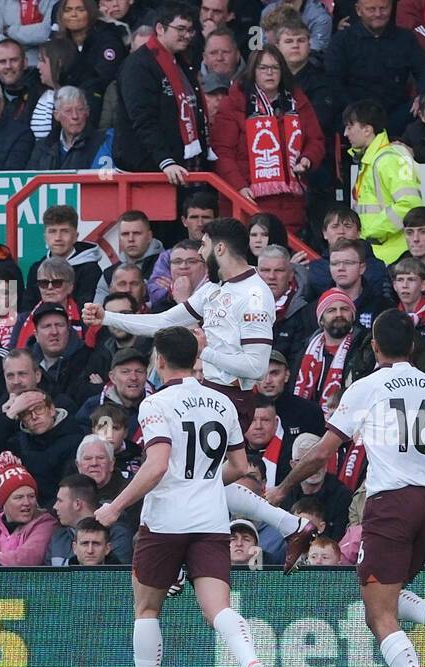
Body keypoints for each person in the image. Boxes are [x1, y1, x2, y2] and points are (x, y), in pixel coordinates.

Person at [272, 312, 425, 667]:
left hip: (390, 503)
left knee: (377, 613)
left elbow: (320, 452)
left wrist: (283, 489)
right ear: (412, 346)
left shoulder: (367, 387)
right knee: (380, 591)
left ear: (374, 347)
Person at [84, 217, 318, 570]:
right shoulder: (215, 288)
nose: (201, 254)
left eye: (204, 246)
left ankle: (173, 562)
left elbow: (256, 367)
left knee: (176, 476)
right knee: (196, 482)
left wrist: (202, 351)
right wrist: (109, 319)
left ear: (220, 248)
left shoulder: (255, 295)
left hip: (232, 399)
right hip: (209, 392)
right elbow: (165, 322)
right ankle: (291, 525)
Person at [209, 45, 324, 234]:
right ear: (253, 71)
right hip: (248, 199)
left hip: (290, 203)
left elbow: (316, 140)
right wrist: (239, 187)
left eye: (275, 67)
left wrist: (307, 159)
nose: (269, 73)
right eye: (263, 68)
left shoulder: (297, 101)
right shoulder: (235, 102)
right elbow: (222, 152)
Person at [113, 2, 210, 182]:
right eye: (180, 29)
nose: (187, 35)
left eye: (190, 30)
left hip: (182, 165)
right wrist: (165, 160)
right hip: (150, 171)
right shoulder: (138, 65)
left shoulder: (181, 61)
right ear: (160, 28)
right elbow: (143, 119)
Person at [324, 0, 425, 134]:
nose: (378, 14)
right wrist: (356, 112)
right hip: (354, 113)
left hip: (396, 114)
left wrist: (423, 95)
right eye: (371, 9)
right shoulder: (341, 41)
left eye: (383, 8)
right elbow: (333, 81)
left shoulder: (406, 38)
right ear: (358, 10)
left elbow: (424, 72)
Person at [345, 99, 423, 266]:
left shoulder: (388, 159)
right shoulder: (371, 160)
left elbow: (409, 205)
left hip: (392, 256)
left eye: (350, 127)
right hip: (379, 254)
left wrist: (370, 233)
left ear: (367, 129)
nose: (346, 133)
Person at [0, 450, 58, 566]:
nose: (27, 502)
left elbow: (28, 557)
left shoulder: (45, 523)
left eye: (31, 496)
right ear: (4, 502)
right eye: (19, 497)